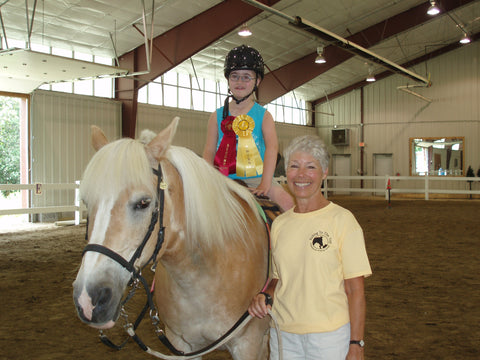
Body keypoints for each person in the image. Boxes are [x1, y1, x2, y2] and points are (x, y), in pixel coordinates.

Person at [248, 135, 372, 360]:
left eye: (311, 167)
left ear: (324, 172)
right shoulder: (280, 225)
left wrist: (356, 343)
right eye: (294, 166)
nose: (301, 175)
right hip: (284, 336)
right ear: (286, 172)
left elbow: (355, 290)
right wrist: (264, 295)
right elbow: (278, 279)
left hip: (329, 338)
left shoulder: (343, 221)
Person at [203, 45, 294, 211]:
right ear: (228, 79)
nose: (239, 82)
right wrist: (208, 178)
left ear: (257, 81)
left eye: (246, 77)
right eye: (234, 76)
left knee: (288, 202)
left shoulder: (264, 116)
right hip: (222, 178)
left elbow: (272, 149)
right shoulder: (215, 116)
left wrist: (265, 182)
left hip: (257, 178)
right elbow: (209, 150)